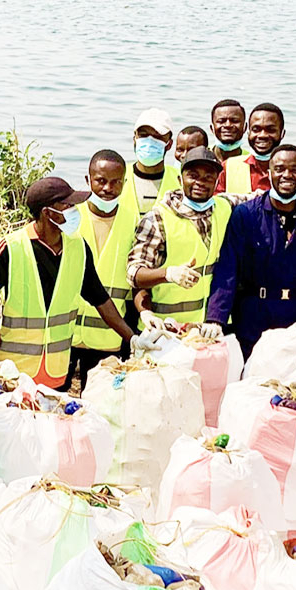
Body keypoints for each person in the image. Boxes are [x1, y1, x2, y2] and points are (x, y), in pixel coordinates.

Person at [0, 177, 147, 390]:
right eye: (68, 206)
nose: (75, 211)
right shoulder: (11, 247)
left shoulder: (78, 248)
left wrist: (132, 339)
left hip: (57, 370)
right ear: (48, 213)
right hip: (16, 372)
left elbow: (100, 300)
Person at [206, 145, 296, 357]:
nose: (287, 175)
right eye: (280, 168)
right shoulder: (245, 215)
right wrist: (216, 318)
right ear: (269, 173)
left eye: (295, 169)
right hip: (253, 314)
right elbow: (228, 268)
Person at [129, 147, 232, 330]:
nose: (200, 182)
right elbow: (134, 274)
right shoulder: (157, 218)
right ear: (180, 179)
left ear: (217, 183)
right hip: (164, 328)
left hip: (207, 327)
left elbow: (263, 198)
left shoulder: (224, 207)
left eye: (208, 177)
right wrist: (168, 274)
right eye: (193, 175)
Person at [68, 150, 140, 388]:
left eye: (115, 182)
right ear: (88, 180)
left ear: (125, 183)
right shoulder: (69, 217)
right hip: (65, 333)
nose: (107, 188)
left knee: (99, 403)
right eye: (100, 181)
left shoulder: (133, 221)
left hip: (108, 336)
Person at [216, 103, 296, 197]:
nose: (262, 135)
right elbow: (217, 206)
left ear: (282, 133)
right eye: (256, 129)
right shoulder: (228, 167)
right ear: (248, 132)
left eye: (271, 130)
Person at [121, 108, 181, 215]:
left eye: (157, 137)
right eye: (143, 135)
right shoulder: (119, 176)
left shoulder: (180, 180)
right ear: (134, 138)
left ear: (169, 144)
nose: (149, 141)